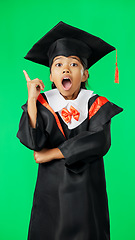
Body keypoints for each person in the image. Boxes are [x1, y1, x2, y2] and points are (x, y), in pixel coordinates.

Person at [17, 21, 123, 240]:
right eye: (58, 64)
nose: (66, 69)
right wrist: (32, 100)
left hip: (87, 193)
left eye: (74, 64)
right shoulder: (43, 105)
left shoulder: (97, 104)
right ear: (51, 76)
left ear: (84, 75)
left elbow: (99, 141)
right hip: (51, 193)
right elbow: (34, 143)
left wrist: (52, 153)